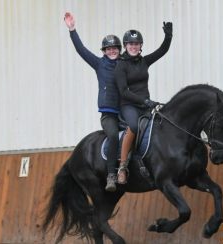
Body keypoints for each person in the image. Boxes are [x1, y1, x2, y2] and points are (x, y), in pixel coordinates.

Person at [64, 12, 121, 192]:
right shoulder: (99, 64)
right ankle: (111, 174)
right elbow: (81, 50)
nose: (112, 51)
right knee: (113, 136)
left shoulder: (125, 64)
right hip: (109, 114)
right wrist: (72, 30)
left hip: (126, 111)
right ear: (104, 51)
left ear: (119, 50)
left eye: (115, 48)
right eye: (108, 49)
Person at [115, 22, 173, 184]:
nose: (133, 46)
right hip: (129, 106)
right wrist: (145, 101)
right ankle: (122, 167)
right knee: (133, 127)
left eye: (136, 44)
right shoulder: (120, 65)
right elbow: (124, 92)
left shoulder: (144, 61)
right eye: (130, 44)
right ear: (125, 46)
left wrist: (168, 37)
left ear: (141, 46)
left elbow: (162, 51)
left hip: (145, 105)